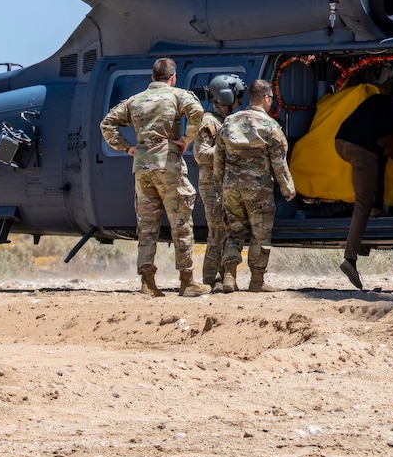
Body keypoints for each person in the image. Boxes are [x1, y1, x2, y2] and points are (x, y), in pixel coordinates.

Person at [100, 57, 210, 298]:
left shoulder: (134, 101)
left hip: (142, 168)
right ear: (173, 77)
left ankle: (147, 282)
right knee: (180, 222)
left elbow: (107, 124)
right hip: (168, 165)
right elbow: (197, 113)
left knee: (147, 225)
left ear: (152, 78)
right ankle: (187, 280)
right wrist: (185, 141)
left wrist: (128, 147)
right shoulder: (178, 95)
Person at [334, 84, 393, 289]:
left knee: (380, 153)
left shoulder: (379, 100)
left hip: (340, 142)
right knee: (361, 206)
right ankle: (349, 259)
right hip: (359, 149)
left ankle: (377, 206)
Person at [215, 79, 296, 293]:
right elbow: (279, 161)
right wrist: (287, 188)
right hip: (258, 190)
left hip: (231, 187)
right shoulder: (270, 126)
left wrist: (220, 183)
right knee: (260, 234)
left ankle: (229, 277)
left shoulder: (230, 122)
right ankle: (257, 281)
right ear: (266, 98)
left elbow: (218, 157)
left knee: (234, 231)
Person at [193, 74, 246, 289]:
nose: (240, 101)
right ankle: (210, 279)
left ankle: (224, 276)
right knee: (217, 233)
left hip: (224, 186)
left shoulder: (225, 121)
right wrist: (226, 149)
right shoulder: (209, 122)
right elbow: (201, 154)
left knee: (226, 231)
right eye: (237, 96)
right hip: (213, 187)